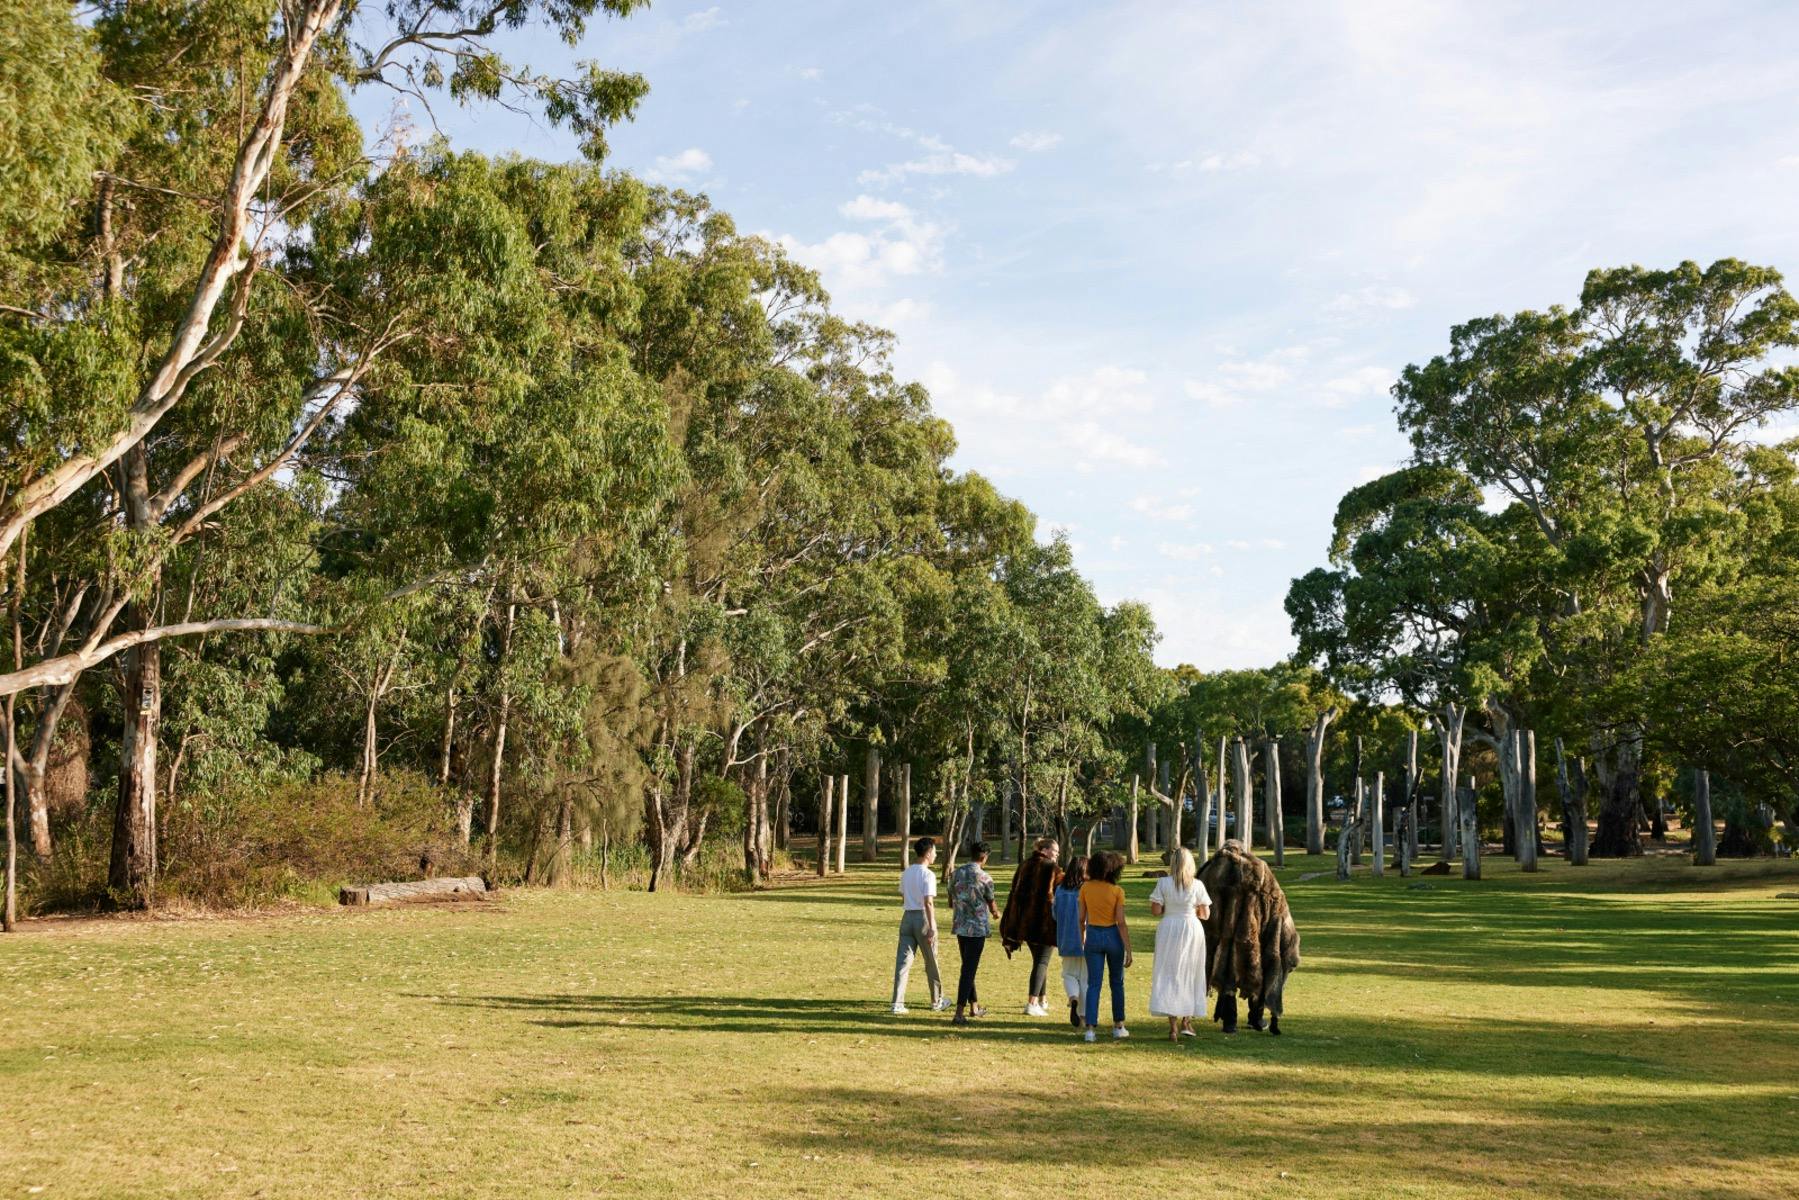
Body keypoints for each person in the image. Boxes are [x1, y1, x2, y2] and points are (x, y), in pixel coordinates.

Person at [1148, 847, 1213, 1041]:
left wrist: (1171, 906)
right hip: (1191, 928)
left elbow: (1156, 911)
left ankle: (1173, 1027)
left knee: (1169, 972)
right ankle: (1187, 1021)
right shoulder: (1197, 885)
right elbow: (1206, 914)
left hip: (1169, 928)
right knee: (1191, 972)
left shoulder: (1163, 883)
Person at [999, 836, 1062, 1016]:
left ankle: (1042, 999)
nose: (1057, 855)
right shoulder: (1051, 868)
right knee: (1042, 962)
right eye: (1055, 851)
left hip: (1023, 923)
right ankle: (1032, 1002)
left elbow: (1014, 893)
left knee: (1040, 962)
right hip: (1043, 923)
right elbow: (1062, 888)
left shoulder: (1024, 865)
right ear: (1045, 850)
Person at [1078, 850, 1133, 1041]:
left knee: (1093, 984)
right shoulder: (1117, 891)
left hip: (1093, 934)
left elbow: (1081, 918)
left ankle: (1090, 1030)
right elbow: (1121, 922)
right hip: (1113, 936)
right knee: (1117, 982)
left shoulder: (1085, 888)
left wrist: (1082, 937)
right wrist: (1128, 948)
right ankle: (1119, 1026)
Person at [892, 836, 947, 1014]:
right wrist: (932, 927)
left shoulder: (906, 872)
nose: (936, 856)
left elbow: (903, 896)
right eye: (935, 852)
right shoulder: (928, 874)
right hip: (923, 918)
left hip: (907, 917)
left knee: (903, 962)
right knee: (931, 960)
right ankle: (936, 1001)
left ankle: (897, 1002)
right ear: (928, 853)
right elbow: (928, 902)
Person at [948, 841, 1000, 1025]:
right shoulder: (985, 877)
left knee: (968, 966)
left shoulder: (956, 873)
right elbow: (991, 900)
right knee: (968, 969)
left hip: (961, 926)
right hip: (977, 928)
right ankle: (959, 1012)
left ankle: (974, 1006)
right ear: (984, 857)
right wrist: (995, 913)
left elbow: (950, 896)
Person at [1051, 855, 1089, 1027]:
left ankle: (1072, 997)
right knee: (1086, 978)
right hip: (1086, 937)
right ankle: (1084, 1015)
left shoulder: (1060, 889)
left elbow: (1054, 914)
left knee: (1068, 974)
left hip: (1066, 937)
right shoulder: (1087, 889)